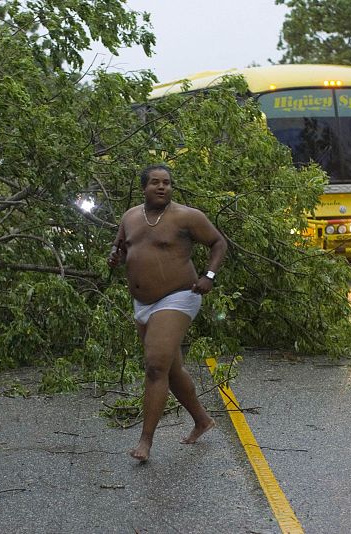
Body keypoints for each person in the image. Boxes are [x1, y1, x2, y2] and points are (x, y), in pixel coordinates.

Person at [107, 164, 227, 462]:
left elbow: (218, 243)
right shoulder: (130, 217)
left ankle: (145, 442)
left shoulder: (187, 217)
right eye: (155, 183)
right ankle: (202, 420)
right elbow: (122, 250)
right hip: (142, 304)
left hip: (179, 297)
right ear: (143, 188)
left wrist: (209, 277)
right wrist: (116, 257)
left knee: (155, 367)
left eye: (167, 183)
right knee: (170, 370)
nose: (162, 187)